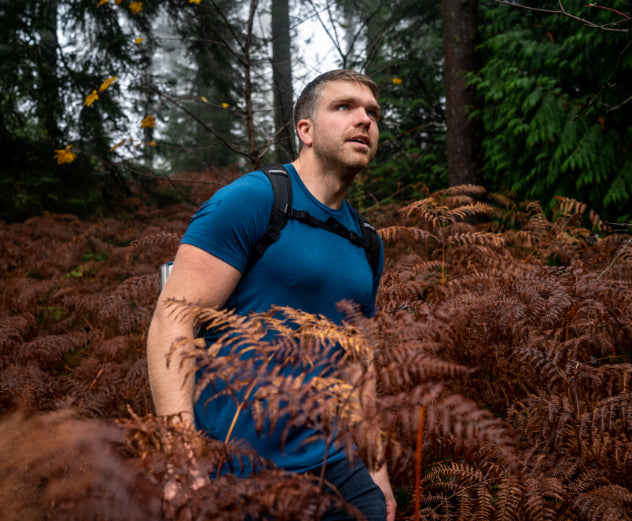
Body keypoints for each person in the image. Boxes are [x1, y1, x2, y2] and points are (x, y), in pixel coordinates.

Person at [147, 69, 396, 521]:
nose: (364, 120)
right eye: (344, 107)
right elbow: (172, 321)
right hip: (239, 473)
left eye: (372, 113)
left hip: (337, 470)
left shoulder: (368, 241)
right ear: (305, 130)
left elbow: (358, 361)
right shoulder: (256, 201)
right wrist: (182, 459)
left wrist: (377, 472)